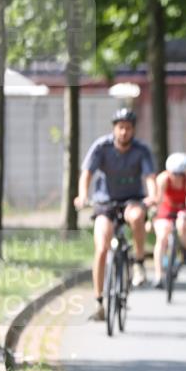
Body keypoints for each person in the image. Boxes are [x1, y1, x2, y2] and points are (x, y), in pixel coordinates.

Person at [74, 108, 157, 321]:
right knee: (101, 247)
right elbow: (87, 174)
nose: (124, 132)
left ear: (133, 130)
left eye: (128, 128)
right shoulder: (101, 147)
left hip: (133, 199)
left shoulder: (141, 150)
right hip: (105, 201)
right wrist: (83, 195)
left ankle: (138, 262)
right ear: (114, 129)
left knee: (137, 217)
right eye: (120, 128)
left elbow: (149, 177)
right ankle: (99, 300)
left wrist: (153, 195)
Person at [151, 152, 186, 289]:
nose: (176, 177)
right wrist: (151, 218)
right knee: (161, 238)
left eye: (180, 174)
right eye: (174, 173)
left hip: (182, 208)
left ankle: (185, 249)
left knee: (183, 223)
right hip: (166, 209)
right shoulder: (162, 179)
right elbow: (158, 199)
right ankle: (158, 275)